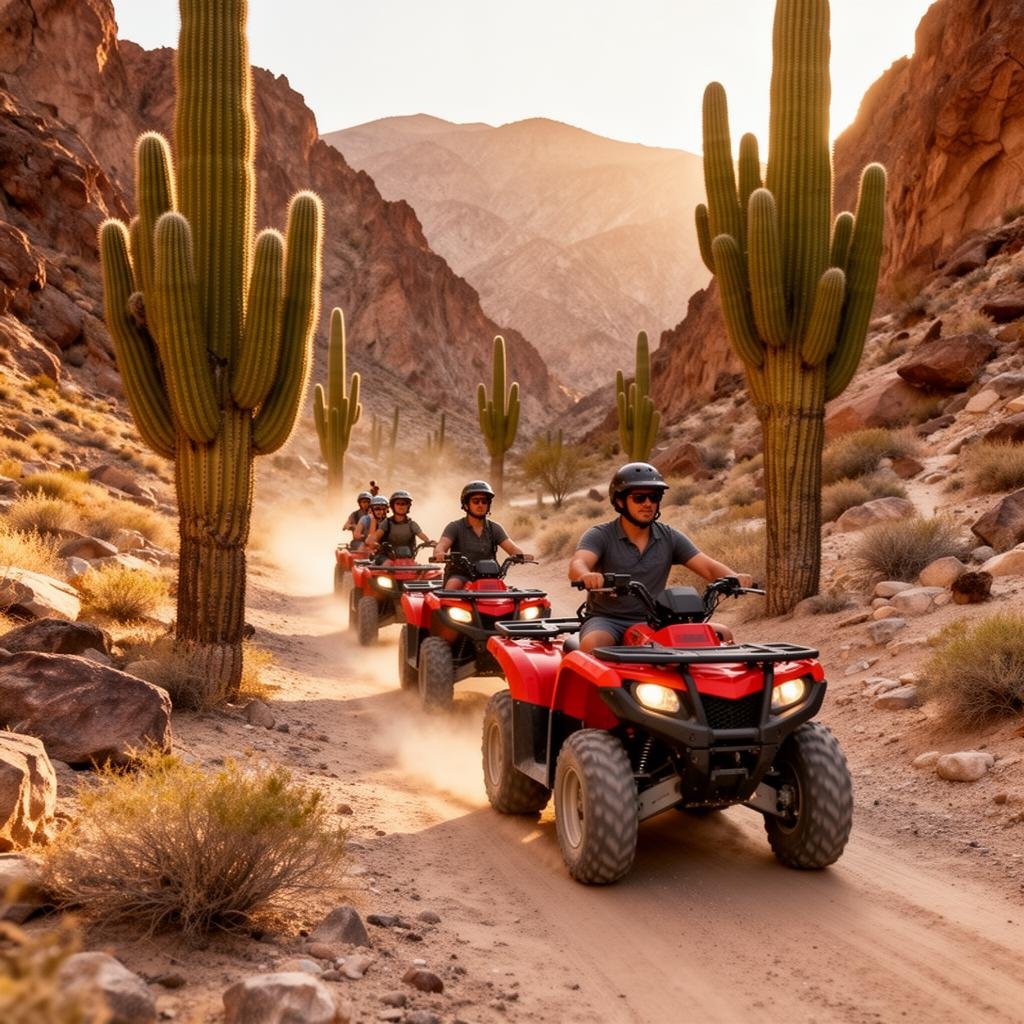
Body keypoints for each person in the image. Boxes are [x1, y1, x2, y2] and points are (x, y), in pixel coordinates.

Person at [568, 462, 753, 652]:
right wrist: (586, 576)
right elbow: (579, 562)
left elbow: (708, 567)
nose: (648, 503)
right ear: (620, 501)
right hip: (608, 620)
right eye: (639, 498)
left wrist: (734, 578)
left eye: (654, 497)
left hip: (656, 620)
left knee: (722, 634)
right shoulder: (600, 535)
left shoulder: (669, 536)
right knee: (595, 644)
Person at [433, 480, 534, 587]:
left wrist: (521, 555)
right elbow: (441, 546)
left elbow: (512, 549)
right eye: (476, 501)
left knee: (504, 592)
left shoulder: (495, 528)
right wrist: (440, 553)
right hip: (460, 575)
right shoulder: (455, 527)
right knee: (453, 585)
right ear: (466, 505)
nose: (480, 505)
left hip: (489, 576)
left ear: (488, 504)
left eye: (484, 501)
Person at [367, 489, 432, 556]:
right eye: (398, 503)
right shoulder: (387, 523)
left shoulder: (411, 524)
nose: (400, 506)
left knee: (417, 566)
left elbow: (423, 536)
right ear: (393, 506)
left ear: (408, 506)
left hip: (408, 558)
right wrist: (378, 545)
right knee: (387, 563)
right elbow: (375, 538)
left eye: (403, 504)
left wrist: (430, 542)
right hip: (387, 557)